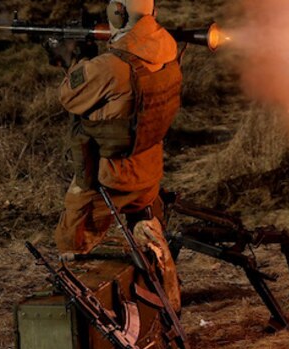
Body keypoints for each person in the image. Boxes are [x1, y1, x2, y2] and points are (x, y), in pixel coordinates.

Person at [52, 0, 181, 310]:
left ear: (118, 12)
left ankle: (83, 315)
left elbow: (68, 96)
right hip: (148, 170)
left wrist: (71, 61)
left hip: (111, 177)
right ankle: (167, 302)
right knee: (148, 237)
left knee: (72, 241)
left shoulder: (110, 67)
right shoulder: (167, 48)